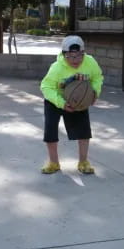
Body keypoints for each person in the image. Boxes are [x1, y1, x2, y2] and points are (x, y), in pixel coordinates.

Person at [40, 35, 103, 174]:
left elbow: (97, 77)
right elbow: (46, 87)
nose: (75, 60)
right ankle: (53, 163)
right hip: (55, 100)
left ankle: (83, 162)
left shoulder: (90, 62)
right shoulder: (56, 68)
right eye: (71, 56)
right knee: (50, 131)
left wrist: (94, 92)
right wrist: (62, 104)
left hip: (79, 100)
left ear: (83, 53)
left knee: (84, 132)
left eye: (79, 56)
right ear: (64, 55)